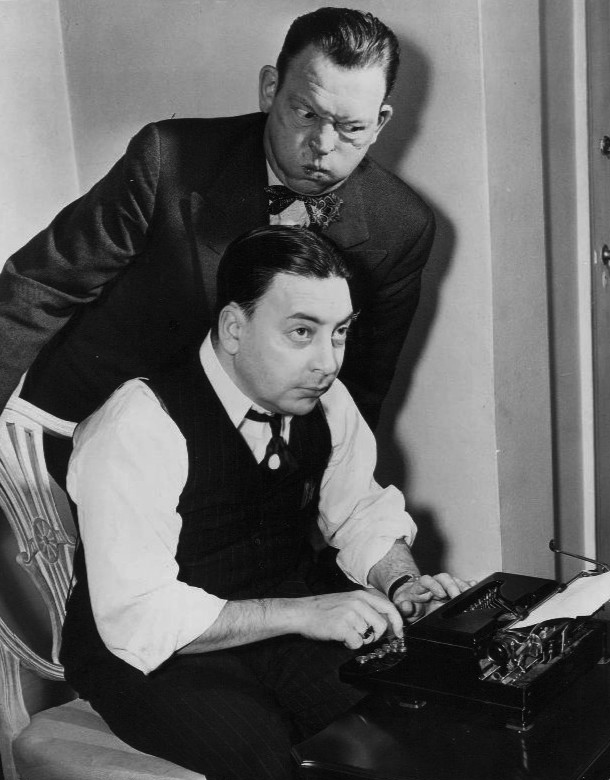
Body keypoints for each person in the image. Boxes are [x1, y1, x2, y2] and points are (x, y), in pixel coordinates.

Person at [59, 226, 461, 780]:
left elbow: (358, 511)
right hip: (148, 654)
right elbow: (139, 615)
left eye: (340, 332)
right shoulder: (139, 423)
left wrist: (402, 582)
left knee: (390, 724)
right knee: (263, 770)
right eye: (301, 332)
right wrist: (304, 612)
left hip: (276, 627)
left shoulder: (326, 402)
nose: (328, 361)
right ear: (234, 328)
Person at [0, 7, 435, 453]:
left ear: (380, 122)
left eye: (351, 127)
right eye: (306, 114)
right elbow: (39, 286)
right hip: (80, 428)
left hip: (238, 460)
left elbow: (358, 390)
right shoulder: (166, 158)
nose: (323, 145)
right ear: (270, 89)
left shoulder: (402, 226)